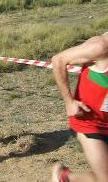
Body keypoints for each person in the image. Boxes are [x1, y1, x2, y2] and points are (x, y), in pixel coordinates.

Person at [51, 32, 108, 182]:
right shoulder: (100, 46)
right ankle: (65, 177)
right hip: (90, 122)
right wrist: (69, 102)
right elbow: (58, 60)